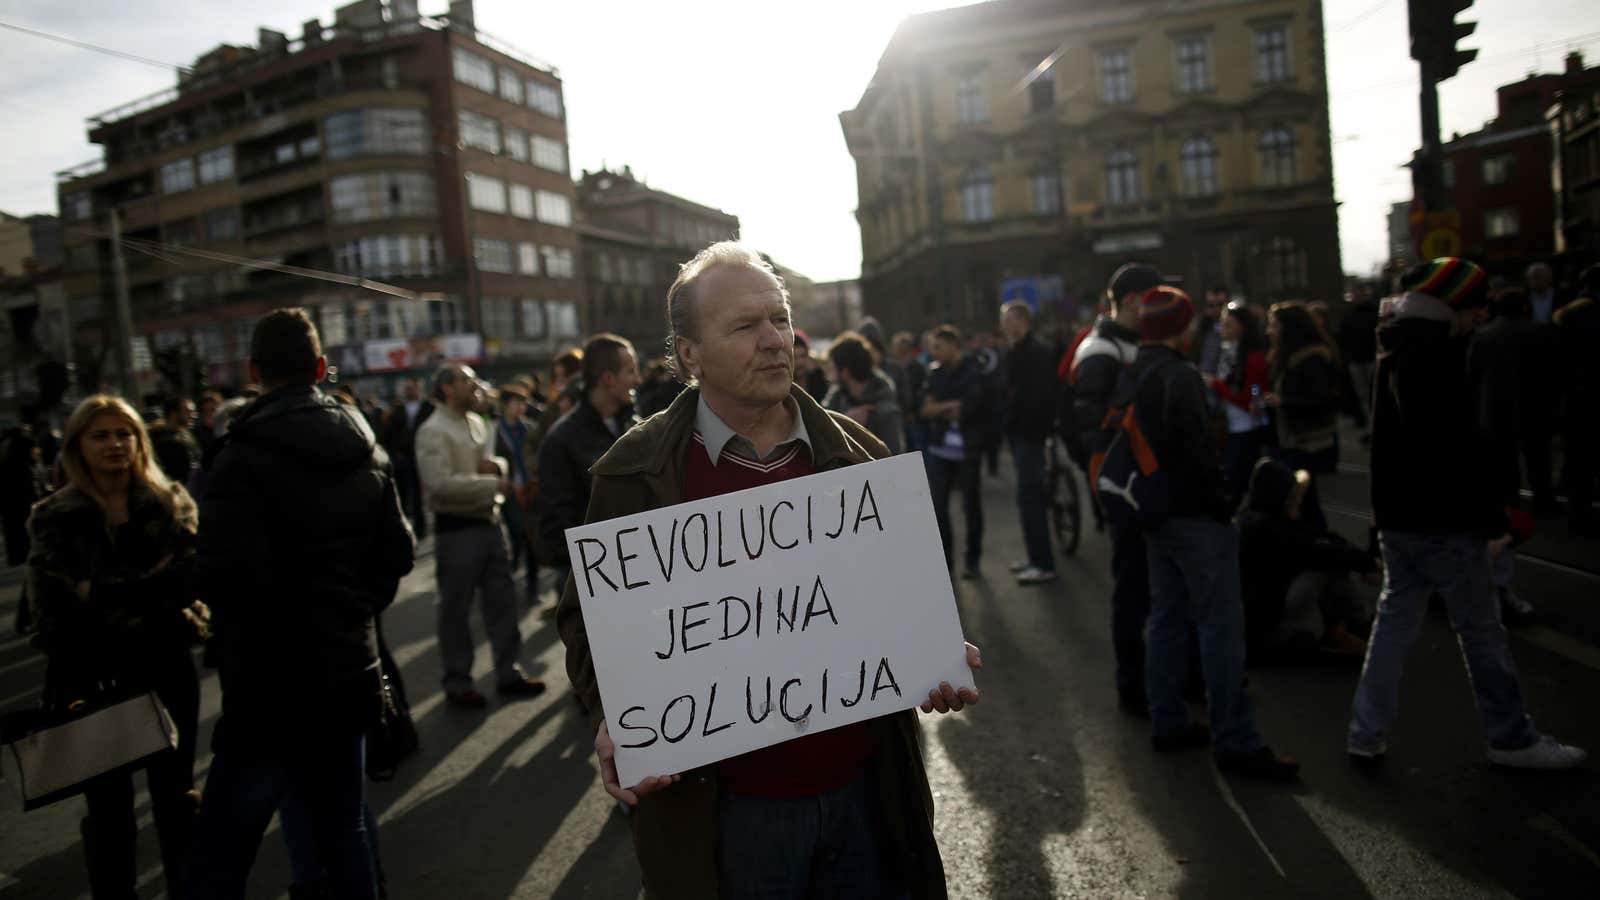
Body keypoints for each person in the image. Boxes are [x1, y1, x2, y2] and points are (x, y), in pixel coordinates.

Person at [556, 241, 979, 898]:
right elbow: (585, 618)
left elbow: (895, 596)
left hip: (865, 798)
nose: (775, 340)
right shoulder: (635, 471)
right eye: (745, 326)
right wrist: (614, 713)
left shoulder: (857, 453)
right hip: (726, 816)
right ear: (689, 354)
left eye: (779, 319)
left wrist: (928, 650)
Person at [189, 309, 416, 899]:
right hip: (346, 669)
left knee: (219, 849)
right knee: (343, 832)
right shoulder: (365, 446)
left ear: (253, 371)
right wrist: (351, 610)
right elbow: (396, 552)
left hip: (267, 683)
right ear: (320, 367)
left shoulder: (236, 456)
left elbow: (218, 574)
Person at [1348, 258, 1586, 771]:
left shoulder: (1394, 341)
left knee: (1393, 625)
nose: (1481, 317)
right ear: (1455, 304)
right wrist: (1491, 521)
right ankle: (1511, 737)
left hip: (1400, 518)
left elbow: (1385, 445)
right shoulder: (1437, 351)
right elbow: (1452, 448)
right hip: (1444, 520)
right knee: (1480, 630)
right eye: (1476, 307)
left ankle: (1365, 732)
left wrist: (1378, 517)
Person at [26, 394, 206, 898]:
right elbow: (51, 615)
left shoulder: (170, 501)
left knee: (177, 799)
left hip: (167, 669)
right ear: (77, 446)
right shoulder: (53, 517)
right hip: (92, 676)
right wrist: (145, 587)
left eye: (124, 434)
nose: (114, 444)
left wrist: (99, 592)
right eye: (100, 435)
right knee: (108, 813)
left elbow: (187, 583)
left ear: (140, 441)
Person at [1128, 285, 1300, 780]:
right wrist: (1224, 504)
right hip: (1195, 515)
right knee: (1220, 626)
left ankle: (1168, 719)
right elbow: (1199, 451)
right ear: (1180, 327)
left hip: (1154, 510)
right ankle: (1237, 741)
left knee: (1165, 616)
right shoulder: (1180, 375)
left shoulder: (1134, 370)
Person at [417, 363, 547, 708]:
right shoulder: (433, 430)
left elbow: (494, 463)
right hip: (457, 530)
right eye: (466, 380)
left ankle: (508, 671)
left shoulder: (476, 422)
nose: (475, 386)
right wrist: (493, 481)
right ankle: (458, 681)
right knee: (456, 610)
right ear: (447, 388)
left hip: (491, 524)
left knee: (503, 602)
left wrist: (497, 471)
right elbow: (438, 485)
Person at [1072, 262, 1157, 715]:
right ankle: (1133, 684)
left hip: (1145, 483)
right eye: (1153, 296)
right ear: (1130, 301)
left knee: (1149, 583)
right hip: (1127, 486)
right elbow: (1090, 428)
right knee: (1132, 584)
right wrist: (1108, 484)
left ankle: (1157, 675)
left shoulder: (1131, 342)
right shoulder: (1101, 349)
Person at [536, 333, 642, 598]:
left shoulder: (636, 426)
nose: (638, 380)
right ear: (607, 379)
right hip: (596, 585)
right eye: (631, 371)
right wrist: (604, 562)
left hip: (642, 572)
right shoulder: (560, 440)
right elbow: (556, 526)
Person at [1237, 458, 1374, 661]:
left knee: (1329, 557)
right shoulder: (1267, 529)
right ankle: (1352, 624)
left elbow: (1319, 536)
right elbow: (1314, 550)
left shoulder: (1263, 519)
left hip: (1263, 618)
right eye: (1292, 497)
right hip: (1264, 627)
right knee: (1324, 565)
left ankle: (1345, 627)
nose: (1297, 502)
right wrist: (1368, 564)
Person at [1261, 301, 1340, 530]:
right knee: (1301, 497)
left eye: (1274, 326)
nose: (1269, 331)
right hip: (1288, 436)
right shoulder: (1282, 355)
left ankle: (1319, 542)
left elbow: (1321, 400)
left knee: (1302, 496)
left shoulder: (1312, 357)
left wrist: (1282, 401)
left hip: (1305, 438)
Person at [921, 324, 992, 579]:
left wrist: (941, 407)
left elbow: (968, 408)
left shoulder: (974, 371)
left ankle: (972, 560)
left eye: (938, 347)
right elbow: (925, 410)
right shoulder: (934, 373)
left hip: (967, 448)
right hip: (940, 449)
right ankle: (946, 563)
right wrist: (948, 406)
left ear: (953, 345)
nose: (933, 352)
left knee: (971, 506)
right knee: (939, 507)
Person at [999, 301, 1059, 585]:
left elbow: (1040, 397)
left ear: (1024, 321)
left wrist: (1031, 431)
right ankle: (1035, 557)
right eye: (1003, 320)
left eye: (1010, 320)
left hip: (1030, 435)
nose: (1005, 326)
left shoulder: (1037, 353)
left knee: (1031, 499)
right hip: (1019, 433)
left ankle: (1044, 563)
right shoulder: (1014, 352)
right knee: (1026, 500)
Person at [1206, 301, 1271, 501]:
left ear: (1242, 328)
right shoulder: (1228, 351)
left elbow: (1250, 393)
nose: (1222, 330)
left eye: (1228, 325)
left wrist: (1216, 385)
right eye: (1222, 324)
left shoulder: (1253, 357)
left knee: (1238, 478)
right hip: (1229, 423)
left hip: (1246, 425)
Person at [1555, 265, 1600, 535]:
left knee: (1580, 462)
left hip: (1575, 399)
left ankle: (1578, 516)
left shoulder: (1567, 314)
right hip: (1589, 396)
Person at [490, 384, 540, 602]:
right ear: (505, 405)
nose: (522, 407)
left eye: (524, 402)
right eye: (516, 402)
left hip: (530, 489)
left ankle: (532, 587)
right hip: (510, 491)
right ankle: (508, 579)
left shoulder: (529, 427)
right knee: (515, 535)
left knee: (532, 539)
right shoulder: (494, 431)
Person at [822, 331, 904, 454]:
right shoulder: (837, 399)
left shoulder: (886, 410)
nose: (828, 374)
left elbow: (894, 457)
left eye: (832, 367)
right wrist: (846, 421)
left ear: (845, 371)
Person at [1, 404, 53, 567]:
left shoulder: (5, 443)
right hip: (24, 488)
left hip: (8, 490)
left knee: (13, 524)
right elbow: (34, 463)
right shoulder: (26, 440)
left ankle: (16, 555)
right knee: (28, 521)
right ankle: (30, 553)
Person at [381, 377, 432, 540]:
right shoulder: (398, 410)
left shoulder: (427, 408)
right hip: (404, 459)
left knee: (420, 495)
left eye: (412, 388)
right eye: (407, 388)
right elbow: (389, 434)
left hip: (423, 457)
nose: (410, 391)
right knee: (404, 494)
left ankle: (420, 528)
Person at [1339, 285, 1380, 443]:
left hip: (1370, 359)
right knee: (1363, 396)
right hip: (1356, 360)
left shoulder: (1373, 312)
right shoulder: (1349, 314)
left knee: (1373, 395)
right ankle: (1371, 426)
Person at [149, 396, 200, 484]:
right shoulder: (161, 440)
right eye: (188, 412)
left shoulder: (187, 436)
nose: (193, 415)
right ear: (173, 414)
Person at [892, 331, 928, 451]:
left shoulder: (918, 367)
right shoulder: (895, 367)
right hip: (901, 419)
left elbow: (920, 392)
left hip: (915, 420)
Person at [1194, 285, 1229, 376]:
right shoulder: (1203, 326)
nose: (1216, 309)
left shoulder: (1234, 328)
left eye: (1220, 304)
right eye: (1211, 305)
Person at [791, 329, 831, 400]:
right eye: (795, 357)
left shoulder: (818, 378)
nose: (800, 362)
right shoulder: (785, 385)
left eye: (802, 356)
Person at [194, 390, 224, 456]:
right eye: (205, 411)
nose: (210, 414)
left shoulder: (227, 430)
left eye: (213, 410)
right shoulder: (196, 434)